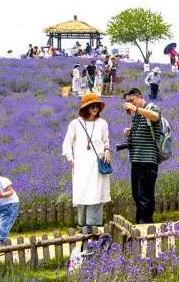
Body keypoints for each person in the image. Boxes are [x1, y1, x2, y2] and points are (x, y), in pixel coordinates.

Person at [62, 94, 111, 233]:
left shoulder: (102, 123)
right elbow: (67, 143)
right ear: (85, 107)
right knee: (83, 194)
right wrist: (70, 159)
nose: (95, 108)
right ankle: (83, 226)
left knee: (96, 194)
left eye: (97, 106)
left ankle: (92, 227)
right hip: (81, 166)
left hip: (97, 165)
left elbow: (106, 141)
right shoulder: (75, 124)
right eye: (92, 106)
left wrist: (107, 150)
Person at [122, 88, 162, 224]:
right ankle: (140, 223)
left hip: (147, 161)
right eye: (127, 102)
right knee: (137, 195)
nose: (129, 104)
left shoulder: (151, 107)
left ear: (140, 97)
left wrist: (136, 109)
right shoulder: (137, 115)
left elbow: (155, 117)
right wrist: (130, 132)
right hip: (136, 160)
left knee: (145, 196)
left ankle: (145, 225)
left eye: (132, 101)